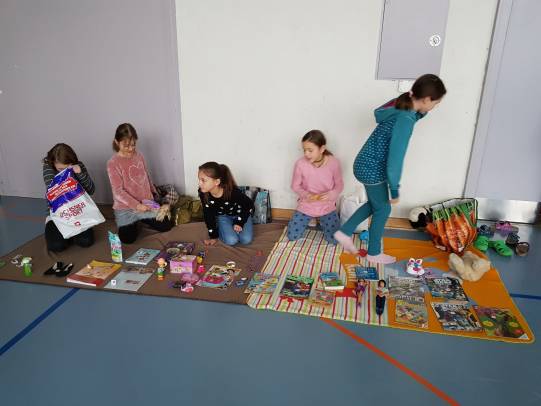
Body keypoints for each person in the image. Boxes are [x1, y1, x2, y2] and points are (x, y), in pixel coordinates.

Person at [334, 74, 447, 264]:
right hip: (372, 167)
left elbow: (383, 112)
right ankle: (373, 252)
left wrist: (421, 112)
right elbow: (395, 159)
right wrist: (394, 188)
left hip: (366, 163)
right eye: (436, 103)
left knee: (376, 204)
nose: (435, 107)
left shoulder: (402, 106)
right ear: (427, 99)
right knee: (383, 208)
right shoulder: (405, 120)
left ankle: (344, 232)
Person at [107, 123, 177, 243]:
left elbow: (146, 177)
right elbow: (118, 192)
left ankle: (143, 219)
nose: (131, 149)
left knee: (166, 225)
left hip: (146, 203)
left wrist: (154, 196)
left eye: (133, 145)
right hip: (126, 208)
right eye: (126, 146)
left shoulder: (139, 156)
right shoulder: (112, 163)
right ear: (117, 142)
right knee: (127, 239)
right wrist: (137, 206)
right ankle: (134, 221)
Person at [287, 130, 343, 244]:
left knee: (334, 240)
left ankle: (322, 220)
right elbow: (295, 186)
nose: (306, 154)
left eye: (310, 150)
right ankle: (311, 218)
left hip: (326, 205)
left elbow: (339, 185)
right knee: (292, 236)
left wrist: (331, 194)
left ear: (322, 149)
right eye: (304, 150)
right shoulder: (300, 164)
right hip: (307, 205)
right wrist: (307, 195)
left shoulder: (334, 162)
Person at [43, 143, 96, 252]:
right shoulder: (48, 167)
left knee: (86, 241)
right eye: (60, 168)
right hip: (58, 213)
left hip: (79, 211)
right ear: (53, 163)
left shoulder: (78, 166)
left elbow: (91, 190)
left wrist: (80, 173)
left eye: (68, 167)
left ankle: (71, 234)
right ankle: (67, 234)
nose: (64, 171)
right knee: (56, 246)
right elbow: (56, 195)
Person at [198, 162, 254, 246]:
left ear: (217, 182)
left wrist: (240, 222)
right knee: (232, 241)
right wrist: (213, 236)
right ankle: (223, 227)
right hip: (223, 216)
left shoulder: (233, 193)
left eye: (203, 180)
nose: (199, 183)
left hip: (241, 214)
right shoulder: (203, 193)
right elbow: (207, 214)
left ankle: (235, 225)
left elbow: (249, 205)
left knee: (246, 240)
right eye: (199, 179)